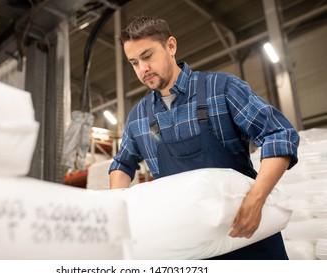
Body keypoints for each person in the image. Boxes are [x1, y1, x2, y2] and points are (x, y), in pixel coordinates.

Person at [108, 15, 300, 259]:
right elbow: (122, 164)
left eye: (147, 56)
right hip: (189, 247)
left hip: (246, 233)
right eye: (134, 62)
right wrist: (115, 215)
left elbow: (279, 135)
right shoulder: (139, 117)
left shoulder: (220, 88)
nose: (142, 69)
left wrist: (255, 201)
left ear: (170, 46)